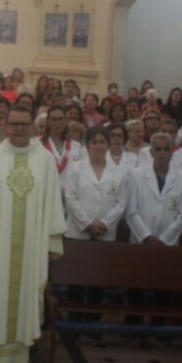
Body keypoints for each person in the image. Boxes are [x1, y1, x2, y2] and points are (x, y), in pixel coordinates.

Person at [0, 103, 64, 363]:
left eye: (24, 124)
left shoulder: (45, 160)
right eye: (14, 124)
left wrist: (48, 243)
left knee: (25, 297)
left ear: (32, 126)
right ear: (5, 126)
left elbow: (52, 204)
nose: (19, 129)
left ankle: (18, 359)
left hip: (29, 248)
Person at [63, 126, 127, 322]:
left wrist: (105, 224)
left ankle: (93, 323)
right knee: (77, 281)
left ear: (108, 145)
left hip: (104, 233)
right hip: (78, 232)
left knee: (97, 281)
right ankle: (74, 321)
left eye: (102, 142)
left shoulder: (118, 171)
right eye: (94, 142)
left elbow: (121, 202)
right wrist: (87, 223)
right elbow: (71, 199)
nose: (98, 146)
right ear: (87, 145)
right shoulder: (75, 168)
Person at [125, 133, 182, 247]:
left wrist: (165, 239)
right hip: (141, 241)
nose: (162, 153)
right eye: (158, 149)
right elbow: (131, 212)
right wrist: (146, 237)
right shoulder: (136, 176)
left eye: (166, 149)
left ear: (172, 152)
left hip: (168, 243)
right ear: (151, 152)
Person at [40, 105, 83, 179]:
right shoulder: (38, 144)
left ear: (66, 121)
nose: (57, 123)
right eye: (53, 119)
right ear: (47, 122)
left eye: (60, 119)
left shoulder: (76, 146)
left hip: (70, 189)